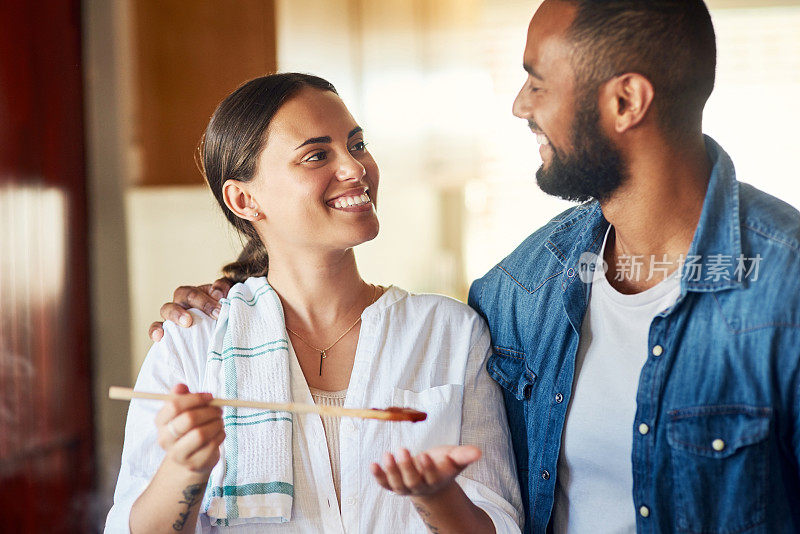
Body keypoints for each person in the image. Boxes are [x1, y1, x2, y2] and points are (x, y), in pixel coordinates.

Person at [153, 1, 800, 532]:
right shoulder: (521, 293)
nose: (520, 105)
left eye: (538, 82)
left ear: (627, 102)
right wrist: (233, 302)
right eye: (315, 155)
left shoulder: (786, 288)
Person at [106, 73, 522, 534]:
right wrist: (185, 468)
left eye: (357, 144)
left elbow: (501, 523)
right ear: (244, 199)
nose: (356, 167)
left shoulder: (450, 331)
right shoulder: (195, 340)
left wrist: (437, 497)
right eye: (317, 155)